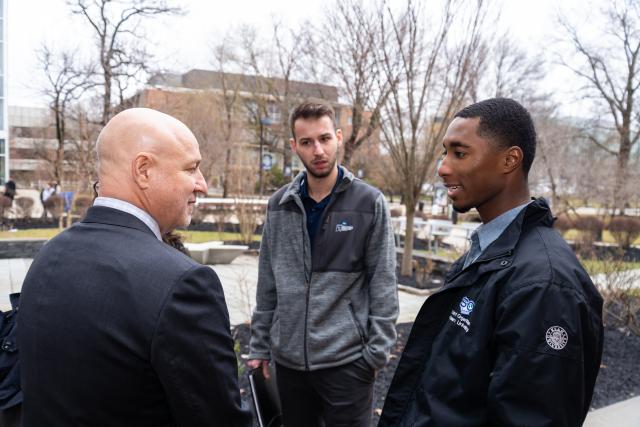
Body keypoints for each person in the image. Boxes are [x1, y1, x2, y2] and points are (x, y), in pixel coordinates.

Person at [18, 108, 252, 427]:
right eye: (192, 168)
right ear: (143, 170)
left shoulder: (50, 254)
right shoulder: (183, 283)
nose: (203, 184)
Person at [379, 98, 604, 427]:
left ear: (510, 160)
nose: (442, 167)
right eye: (445, 152)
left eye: (459, 153)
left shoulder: (544, 285)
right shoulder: (491, 252)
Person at [248, 101, 399, 426]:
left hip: (348, 365)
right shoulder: (280, 205)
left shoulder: (369, 202)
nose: (318, 150)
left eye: (325, 138)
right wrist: (260, 345)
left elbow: (383, 282)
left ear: (339, 137)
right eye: (307, 142)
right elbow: (267, 283)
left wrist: (375, 354)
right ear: (294, 146)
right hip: (289, 366)